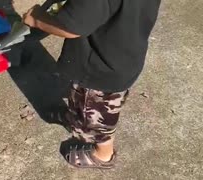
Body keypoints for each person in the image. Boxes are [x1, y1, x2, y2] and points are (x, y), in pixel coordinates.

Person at [22, 0, 161, 169]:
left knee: (98, 119)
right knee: (88, 101)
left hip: (99, 69)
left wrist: (37, 19)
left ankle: (103, 156)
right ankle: (75, 117)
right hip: (125, 52)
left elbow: (70, 27)